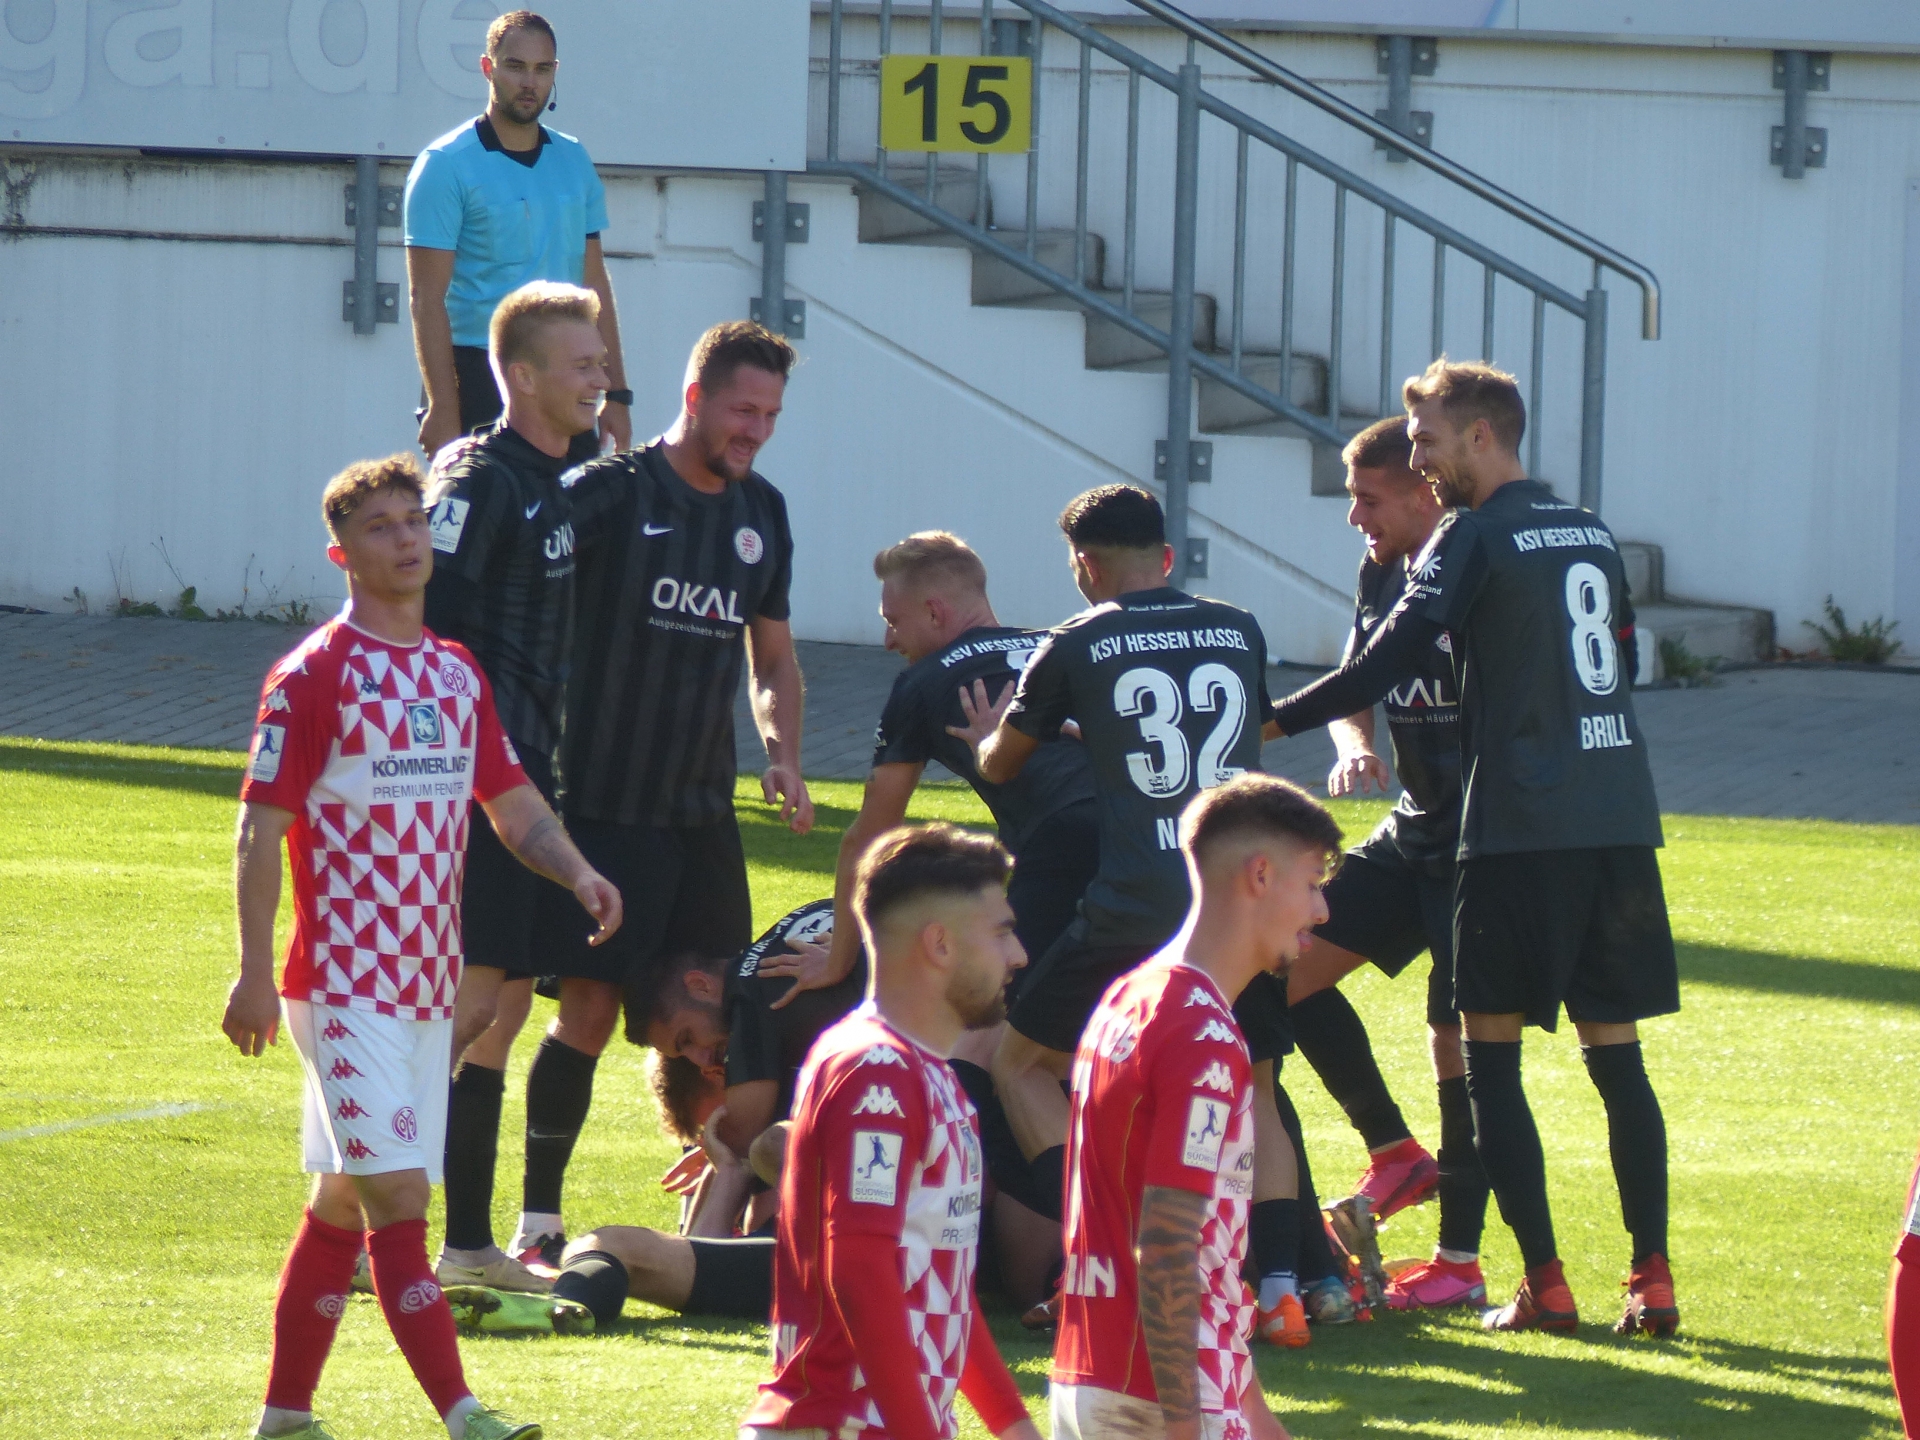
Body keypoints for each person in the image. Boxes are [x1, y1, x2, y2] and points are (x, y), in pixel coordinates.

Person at [1270, 357, 1679, 1336]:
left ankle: (1544, 1286)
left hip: (1514, 830)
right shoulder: (1589, 529)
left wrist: (1260, 719)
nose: (1419, 459)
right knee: (1617, 1058)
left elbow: (1385, 663)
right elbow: (1619, 660)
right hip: (1618, 819)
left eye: (1426, 441)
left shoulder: (1470, 533)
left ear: (1481, 436)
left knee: (1487, 1057)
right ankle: (1653, 1280)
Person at [220, 453, 621, 1440]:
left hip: (427, 990)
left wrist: (578, 872)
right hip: (340, 985)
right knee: (399, 1197)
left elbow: (511, 801)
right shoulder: (313, 676)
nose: (405, 540)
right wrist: (253, 973)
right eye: (380, 528)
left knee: (342, 1205)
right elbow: (259, 829)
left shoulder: (453, 671)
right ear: (342, 554)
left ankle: (283, 1417)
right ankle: (464, 1414)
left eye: (412, 521)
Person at [962, 484, 1331, 1345]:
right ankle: (1281, 1291)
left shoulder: (1077, 639)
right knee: (1257, 1088)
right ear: (1166, 557)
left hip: (1135, 906)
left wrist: (990, 736)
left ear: (1084, 565)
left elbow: (1004, 763)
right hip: (1240, 903)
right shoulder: (1238, 627)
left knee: (1021, 1064)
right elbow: (1232, 734)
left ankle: (1108, 1257)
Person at [509, 321, 810, 1265]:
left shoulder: (763, 513)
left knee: (732, 1020)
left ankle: (729, 1212)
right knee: (590, 1014)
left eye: (770, 415)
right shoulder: (609, 492)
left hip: (702, 817)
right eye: (742, 409)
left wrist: (783, 752)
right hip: (606, 807)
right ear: (694, 398)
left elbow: (773, 658)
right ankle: (537, 1222)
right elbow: (519, 595)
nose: (755, 430)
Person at [413, 280, 612, 1293]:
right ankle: (357, 1214)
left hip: (534, 771)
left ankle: (465, 1246)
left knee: (496, 1011)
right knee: (465, 1006)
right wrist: (457, 760)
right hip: (476, 782)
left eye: (600, 362)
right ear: (523, 377)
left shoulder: (572, 470)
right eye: (582, 364)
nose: (600, 378)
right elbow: (422, 614)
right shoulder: (479, 478)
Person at [1051, 773, 1341, 1440]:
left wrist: (1255, 1413)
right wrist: (1186, 1425)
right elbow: (1167, 1245)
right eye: (1313, 883)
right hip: (1157, 1402)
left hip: (1104, 1376)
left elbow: (1196, 1251)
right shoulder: (1200, 1034)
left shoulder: (1131, 997)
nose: (1322, 910)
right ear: (1260, 875)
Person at [1281, 417, 1494, 1310]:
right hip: (1413, 834)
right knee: (1280, 966)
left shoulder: (1478, 569)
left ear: (1421, 493)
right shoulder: (1381, 570)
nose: (1354, 518)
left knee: (1462, 1045)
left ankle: (1459, 1263)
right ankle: (1394, 1151)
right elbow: (1356, 680)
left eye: (1368, 499)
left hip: (1483, 844)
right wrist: (1356, 745)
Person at [741, 823, 1039, 1440]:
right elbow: (859, 1269)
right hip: (841, 1425)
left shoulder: (928, 1072)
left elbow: (943, 1286)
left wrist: (1012, 1426)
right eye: (1002, 932)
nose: (1019, 955)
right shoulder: (877, 1069)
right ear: (940, 944)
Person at [404, 9, 631, 462]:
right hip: (478, 374)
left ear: (555, 73)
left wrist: (617, 393)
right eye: (515, 66)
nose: (530, 82)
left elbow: (594, 281)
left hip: (566, 375)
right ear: (487, 68)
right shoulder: (445, 165)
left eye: (542, 69)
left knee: (574, 508)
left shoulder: (573, 160)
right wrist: (443, 406)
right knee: (481, 509)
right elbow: (426, 298)